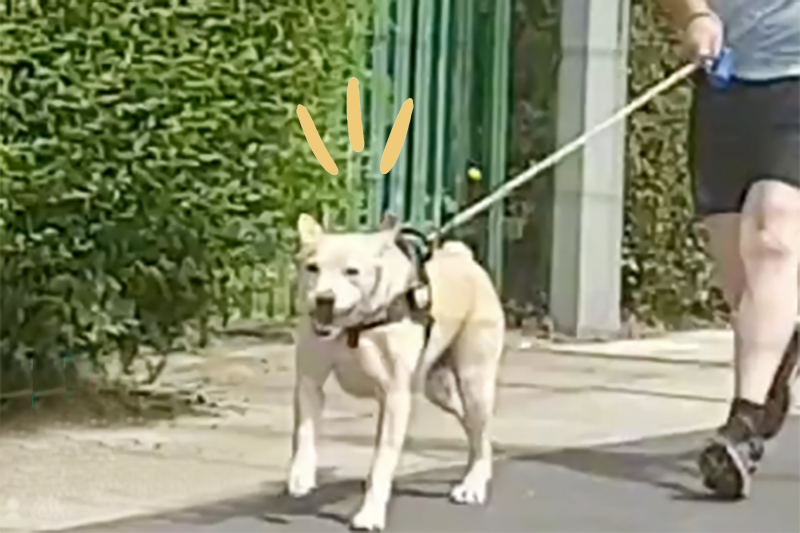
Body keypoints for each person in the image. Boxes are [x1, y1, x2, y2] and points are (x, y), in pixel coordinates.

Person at [656, 0, 800, 499]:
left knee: (772, 234)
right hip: (726, 82)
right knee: (738, 272)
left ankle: (742, 427)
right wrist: (694, 15)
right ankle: (778, 350)